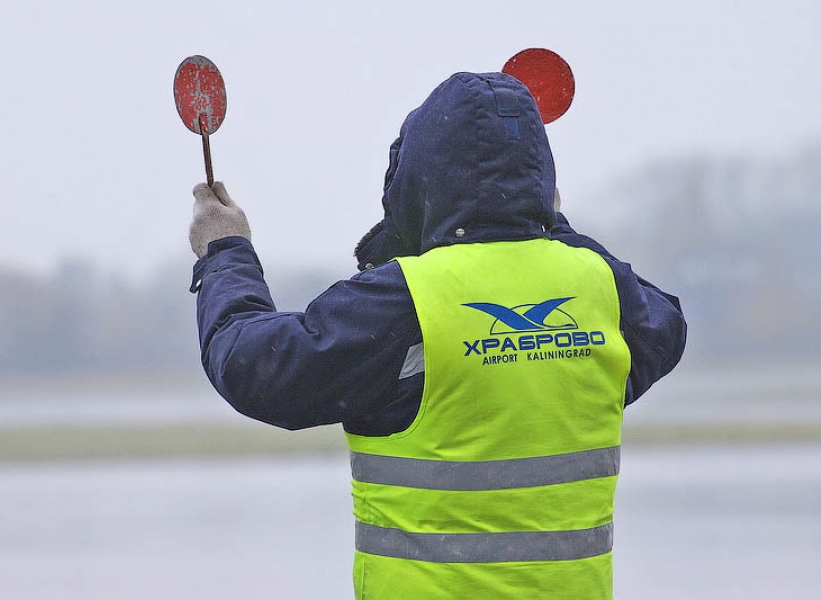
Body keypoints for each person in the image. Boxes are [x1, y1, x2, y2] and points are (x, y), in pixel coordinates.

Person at [187, 71, 686, 599]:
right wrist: (547, 223)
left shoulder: (401, 302)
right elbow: (666, 328)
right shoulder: (604, 290)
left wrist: (226, 253)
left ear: (420, 182)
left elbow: (253, 366)